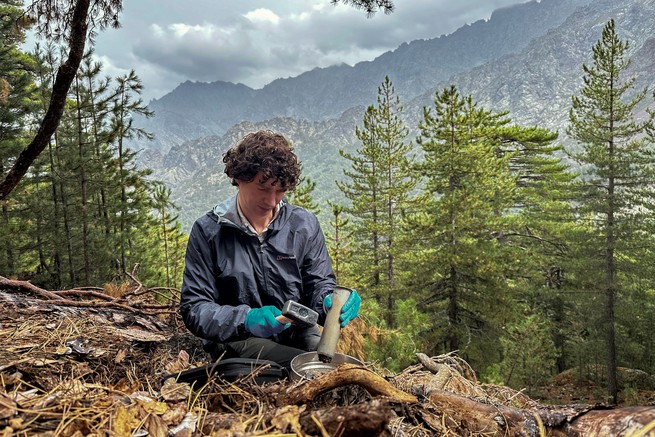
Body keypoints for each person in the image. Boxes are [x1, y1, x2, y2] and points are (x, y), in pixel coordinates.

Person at [180, 130, 361, 370]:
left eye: (281, 190)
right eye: (263, 188)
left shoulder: (303, 225)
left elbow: (319, 283)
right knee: (293, 369)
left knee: (326, 367)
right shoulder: (209, 232)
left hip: (296, 330)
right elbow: (195, 308)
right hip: (237, 337)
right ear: (238, 178)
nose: (272, 200)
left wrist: (328, 302)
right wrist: (246, 319)